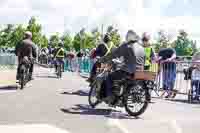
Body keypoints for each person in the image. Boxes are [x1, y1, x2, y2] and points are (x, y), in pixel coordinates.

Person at [99, 30, 145, 104]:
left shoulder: (126, 46)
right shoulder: (141, 48)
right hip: (140, 72)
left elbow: (114, 54)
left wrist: (103, 59)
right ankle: (121, 96)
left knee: (110, 77)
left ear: (128, 37)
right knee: (122, 79)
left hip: (128, 72)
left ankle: (111, 98)